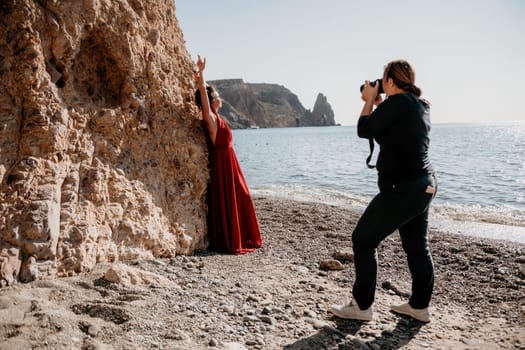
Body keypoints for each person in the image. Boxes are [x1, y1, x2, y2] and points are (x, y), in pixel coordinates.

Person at [330, 60, 437, 323]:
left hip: (401, 188)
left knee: (363, 240)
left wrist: (367, 100)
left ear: (389, 81)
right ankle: (419, 307)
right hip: (424, 185)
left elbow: (364, 129)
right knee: (416, 246)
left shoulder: (398, 104)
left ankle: (362, 306)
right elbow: (394, 125)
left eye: (382, 79)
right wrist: (379, 102)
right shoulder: (420, 105)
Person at [193, 55, 263, 255]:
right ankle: (234, 239)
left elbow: (206, 97)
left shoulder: (218, 117)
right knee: (242, 197)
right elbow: (204, 100)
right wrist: (201, 77)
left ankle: (243, 235)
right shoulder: (211, 118)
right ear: (213, 100)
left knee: (243, 196)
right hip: (223, 162)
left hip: (230, 162)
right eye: (216, 96)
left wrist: (202, 76)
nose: (219, 98)